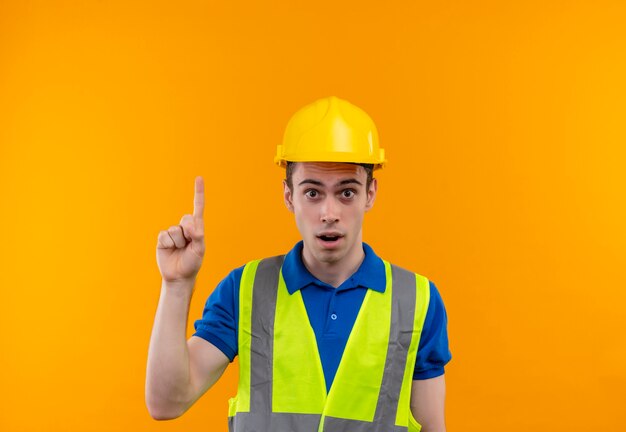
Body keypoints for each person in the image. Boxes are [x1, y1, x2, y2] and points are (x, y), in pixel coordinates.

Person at [146, 96, 451, 432]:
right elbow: (166, 402)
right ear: (288, 196)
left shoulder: (417, 301)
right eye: (312, 193)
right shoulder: (245, 290)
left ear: (371, 193)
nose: (329, 213)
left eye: (347, 192)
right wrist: (176, 286)